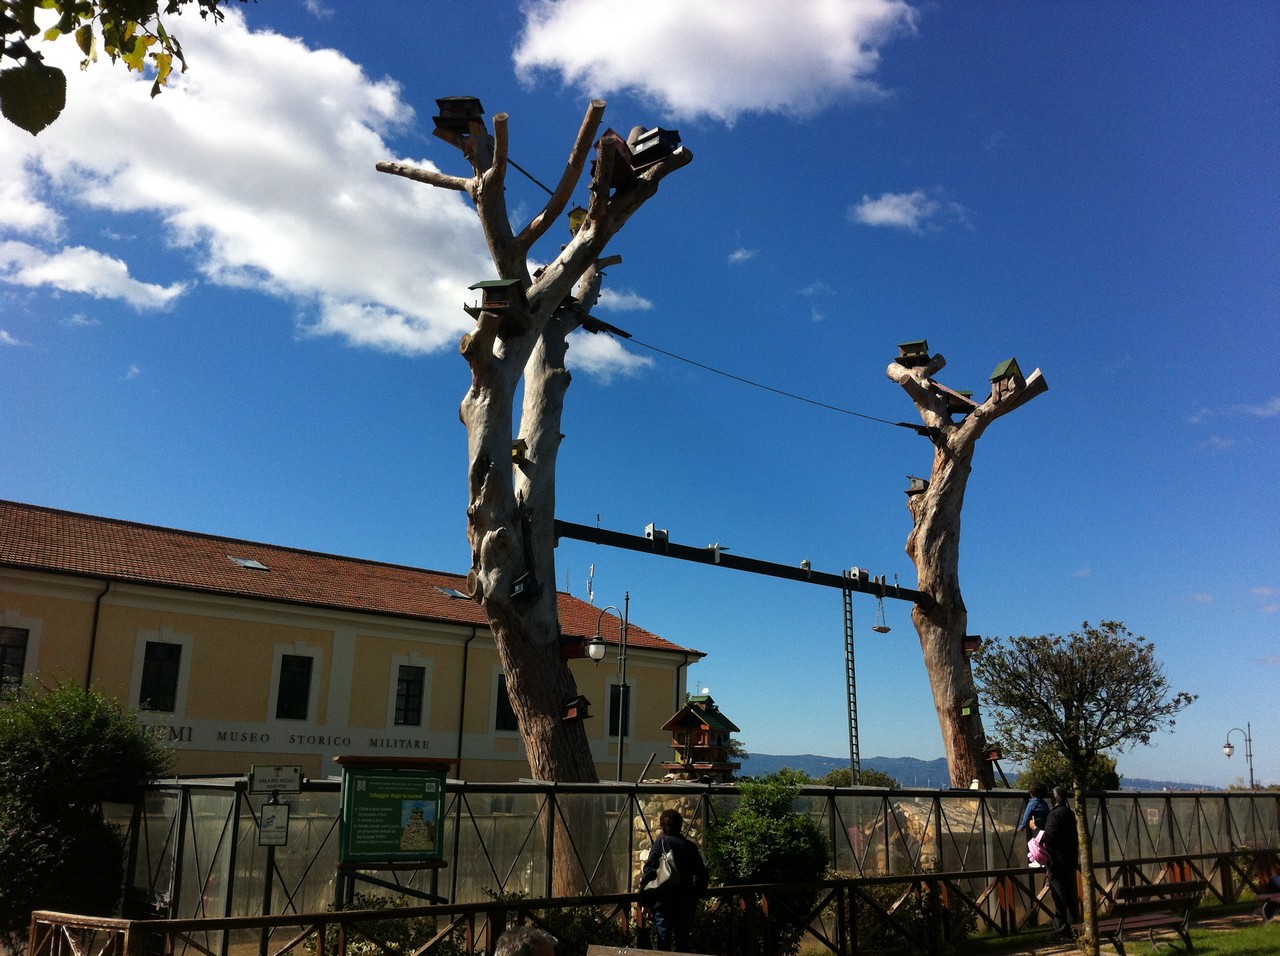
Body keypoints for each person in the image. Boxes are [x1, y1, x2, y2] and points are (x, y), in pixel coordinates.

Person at [640, 808, 709, 952]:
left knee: (663, 943)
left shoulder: (661, 844)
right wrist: (694, 897)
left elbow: (649, 872)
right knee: (683, 943)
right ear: (680, 825)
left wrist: (645, 901)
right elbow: (702, 875)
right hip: (684, 903)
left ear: (663, 826)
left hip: (663, 903)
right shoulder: (690, 847)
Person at [1042, 785, 1080, 940]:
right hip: (1070, 860)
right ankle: (1074, 929)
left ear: (1055, 798)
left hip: (1057, 861)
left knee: (1059, 896)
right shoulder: (1070, 814)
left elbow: (1049, 838)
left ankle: (1061, 931)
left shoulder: (1054, 815)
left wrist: (1036, 831)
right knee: (1071, 895)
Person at [1017, 782, 1050, 867]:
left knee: (1035, 844)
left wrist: (1022, 826)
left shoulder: (1031, 804)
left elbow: (1027, 816)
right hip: (1044, 826)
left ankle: (1037, 860)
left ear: (1031, 793)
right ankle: (1044, 859)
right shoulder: (1044, 804)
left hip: (1035, 826)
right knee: (1043, 844)